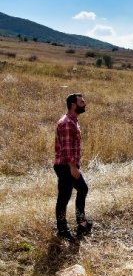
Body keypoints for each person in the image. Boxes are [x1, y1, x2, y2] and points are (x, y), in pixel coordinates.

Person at [54, 93, 93, 242]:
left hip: (70, 165)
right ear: (73, 105)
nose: (85, 104)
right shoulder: (66, 123)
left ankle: (81, 223)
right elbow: (66, 148)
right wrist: (72, 166)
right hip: (65, 166)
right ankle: (62, 230)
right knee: (63, 198)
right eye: (82, 102)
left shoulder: (73, 121)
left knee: (83, 189)